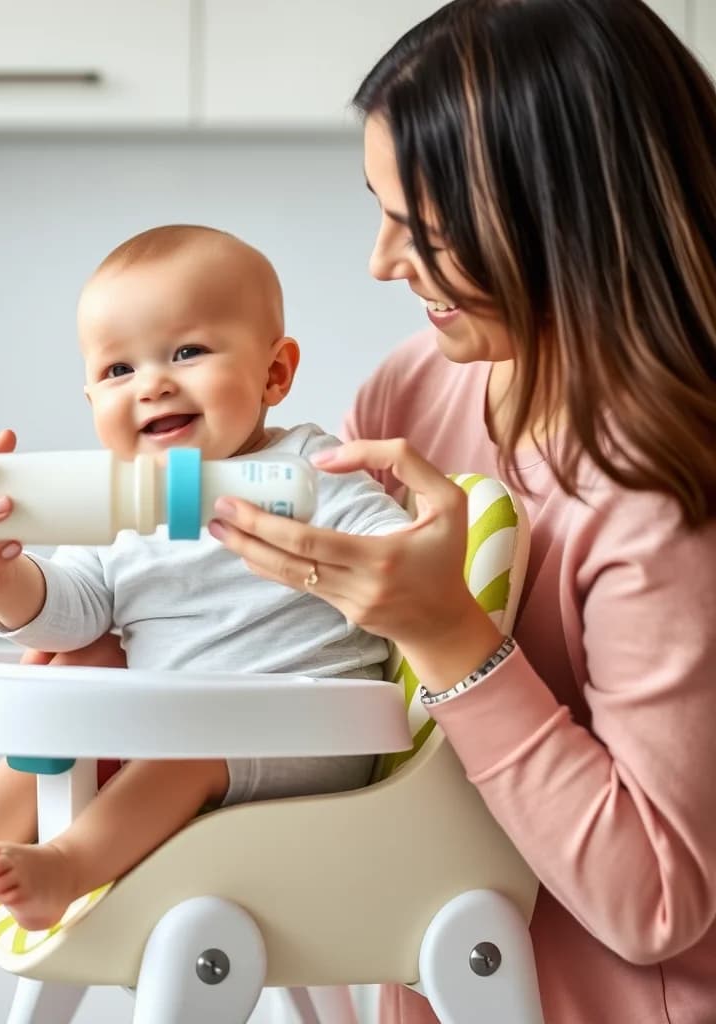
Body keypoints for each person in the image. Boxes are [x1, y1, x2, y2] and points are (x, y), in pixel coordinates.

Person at [203, 1, 716, 1021]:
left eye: (425, 233)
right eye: (382, 211)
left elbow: (655, 901)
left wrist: (449, 637)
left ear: (563, 221)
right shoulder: (413, 394)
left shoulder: (661, 489)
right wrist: (29, 574)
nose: (381, 263)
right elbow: (242, 557)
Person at [0, 224, 411, 931]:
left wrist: (369, 551)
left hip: (309, 733)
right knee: (80, 660)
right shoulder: (119, 502)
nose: (152, 384)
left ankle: (70, 865)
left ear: (274, 373)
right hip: (175, 728)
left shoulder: (308, 473)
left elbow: (401, 559)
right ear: (91, 402)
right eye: (118, 371)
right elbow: (70, 610)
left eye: (188, 352)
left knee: (186, 751)